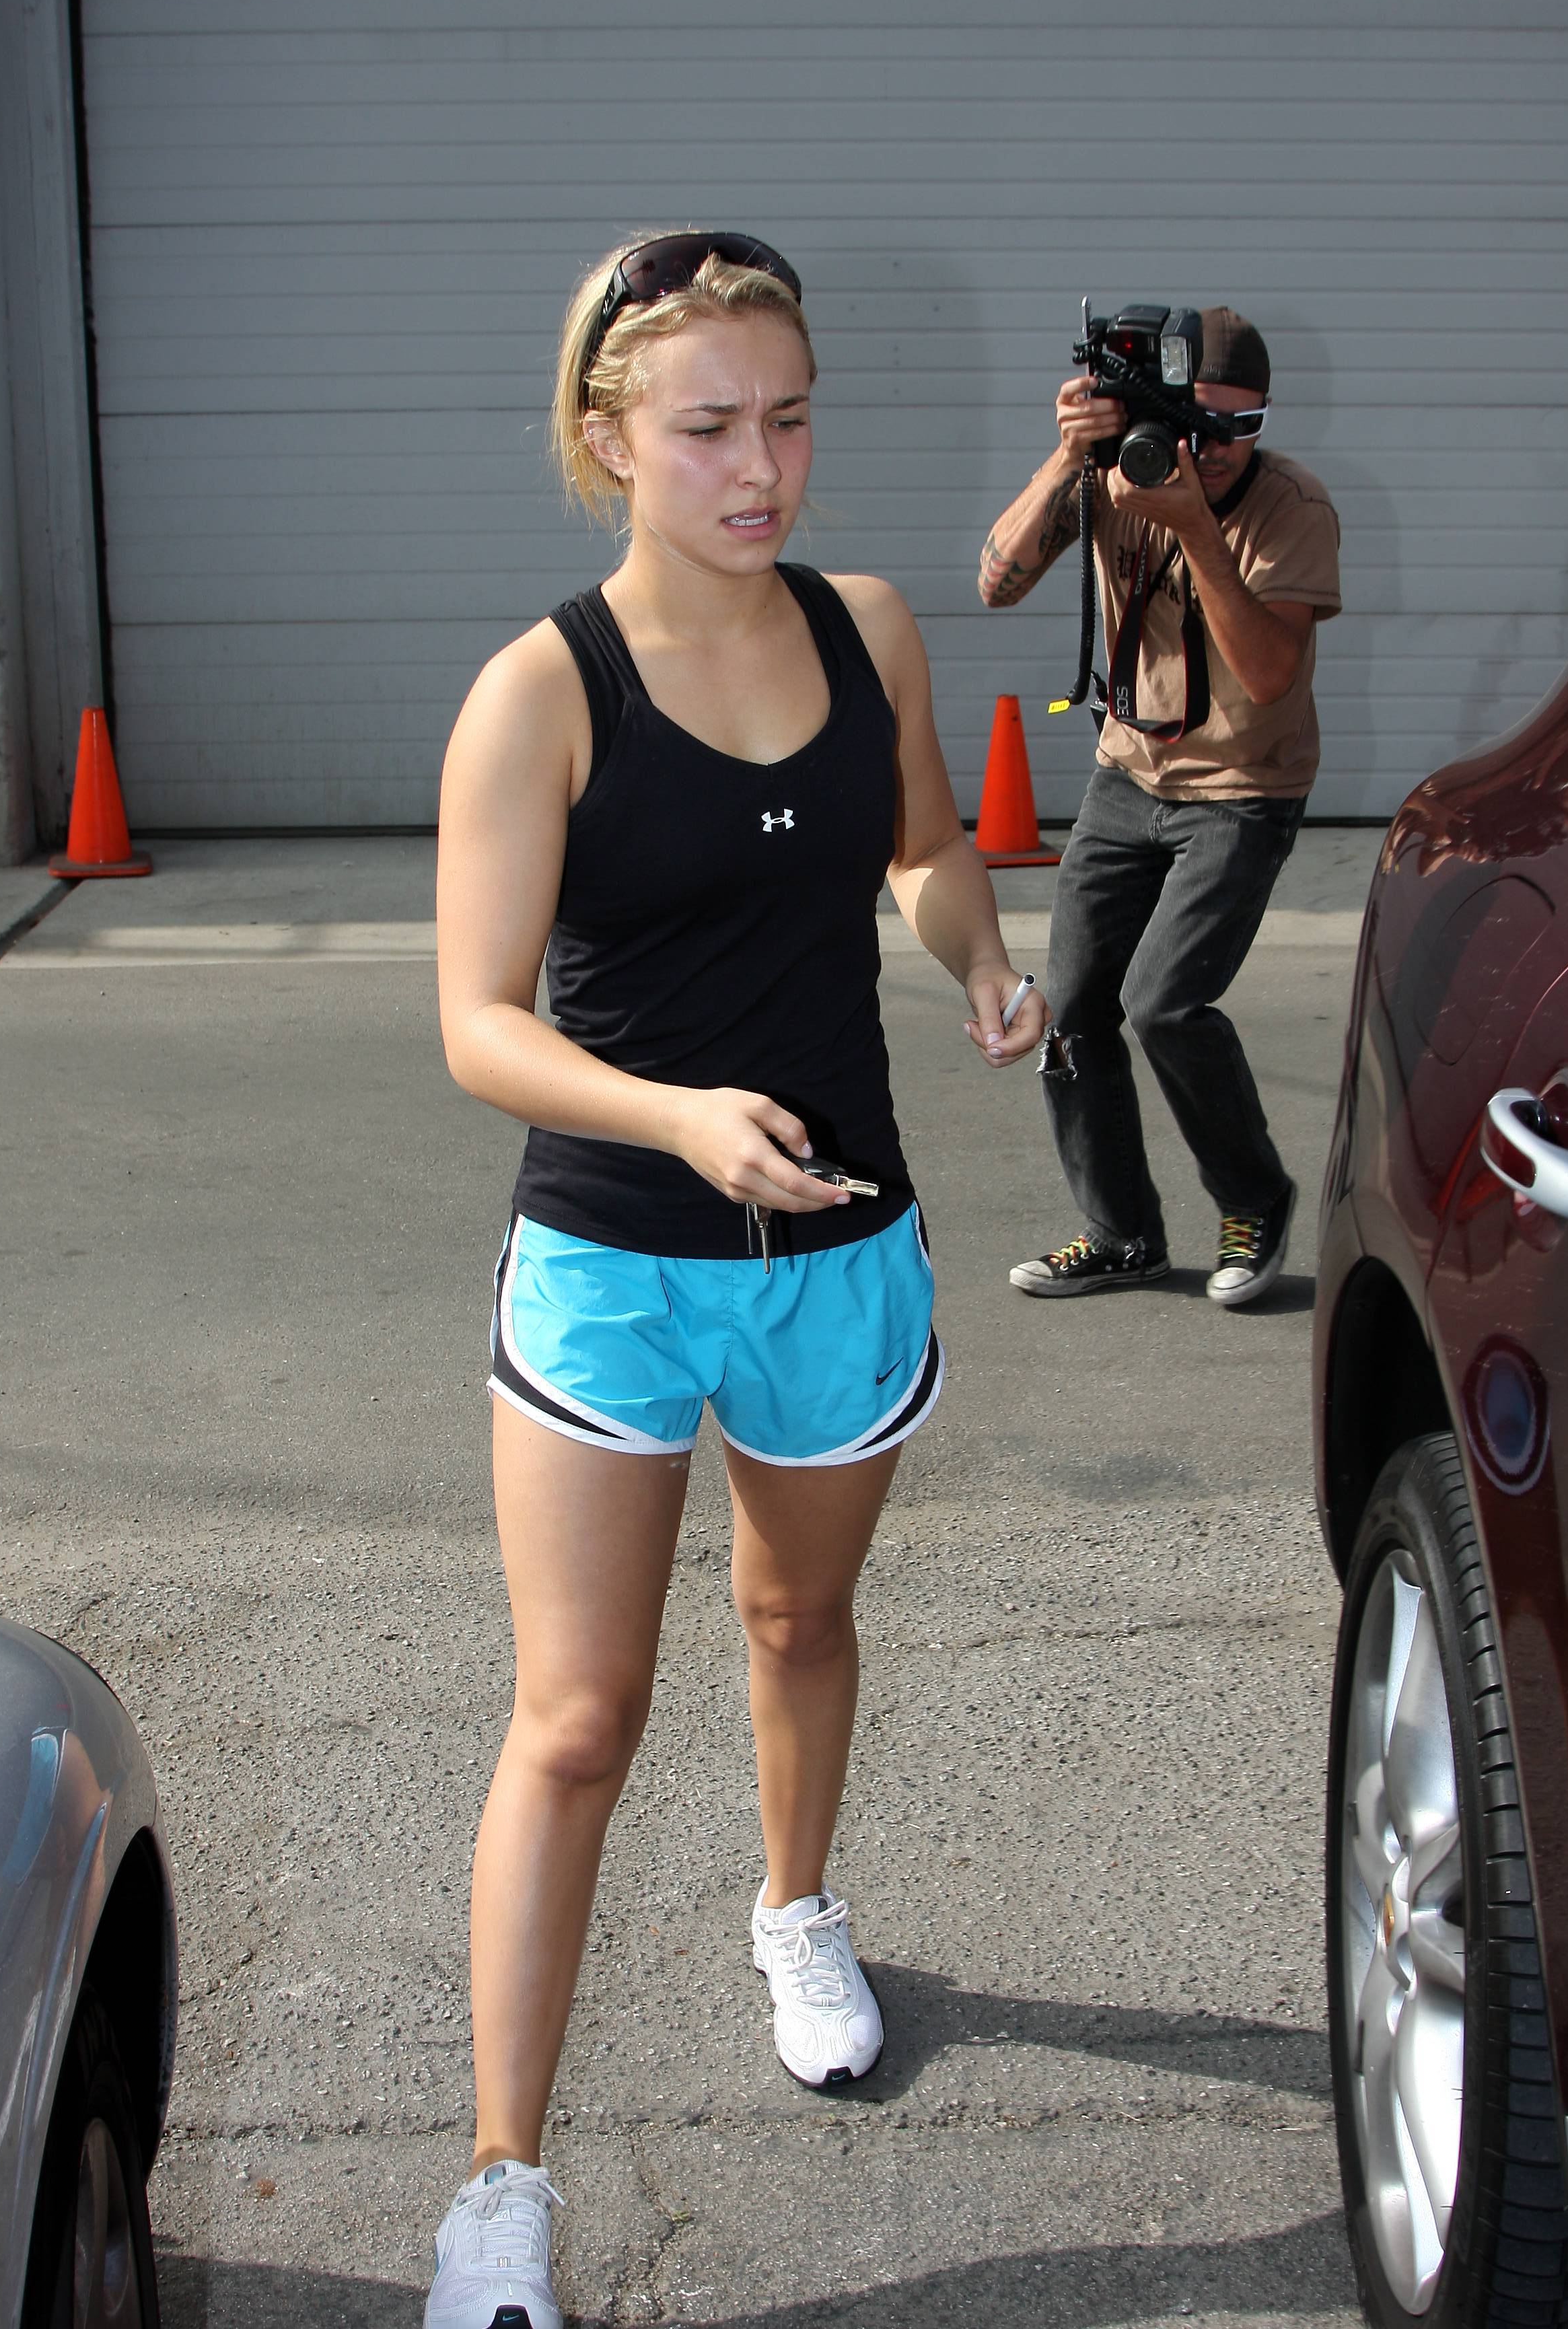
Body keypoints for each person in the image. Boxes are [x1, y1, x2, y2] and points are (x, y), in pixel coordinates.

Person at [426, 232, 1047, 2329]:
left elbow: (922, 847)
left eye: (787, 419)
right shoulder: (540, 691)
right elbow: (477, 1022)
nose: (760, 466)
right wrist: (678, 1117)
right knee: (577, 1718)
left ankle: (796, 1910)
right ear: (609, 437)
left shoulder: (866, 627)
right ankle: (501, 2186)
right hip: (614, 1258)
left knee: (799, 1618)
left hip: (840, 1250)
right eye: (708, 428)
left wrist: (980, 957)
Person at [977, 306, 1340, 1307]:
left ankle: (1254, 1199)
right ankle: (1122, 1232)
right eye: (1198, 423)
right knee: (1070, 1010)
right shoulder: (1112, 476)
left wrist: (1192, 528)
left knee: (1165, 1003)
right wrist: (1069, 458)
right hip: (1128, 774)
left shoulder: (1292, 506)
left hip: (1243, 789)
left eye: (1242, 426)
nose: (1217, 448)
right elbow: (997, 582)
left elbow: (1268, 674)